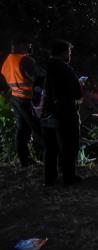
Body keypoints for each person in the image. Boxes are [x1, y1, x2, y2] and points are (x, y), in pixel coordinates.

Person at [42, 39, 82, 186]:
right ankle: (69, 177)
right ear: (64, 53)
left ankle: (49, 177)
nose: (70, 55)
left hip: (48, 112)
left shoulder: (46, 68)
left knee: (50, 147)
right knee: (69, 145)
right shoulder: (65, 69)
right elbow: (78, 93)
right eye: (69, 52)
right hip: (66, 113)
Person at [1, 37, 41, 166]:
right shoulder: (25, 60)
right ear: (20, 45)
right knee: (39, 129)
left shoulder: (7, 61)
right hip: (28, 100)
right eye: (27, 44)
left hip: (15, 98)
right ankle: (51, 159)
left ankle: (25, 160)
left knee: (22, 129)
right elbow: (37, 78)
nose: (29, 48)